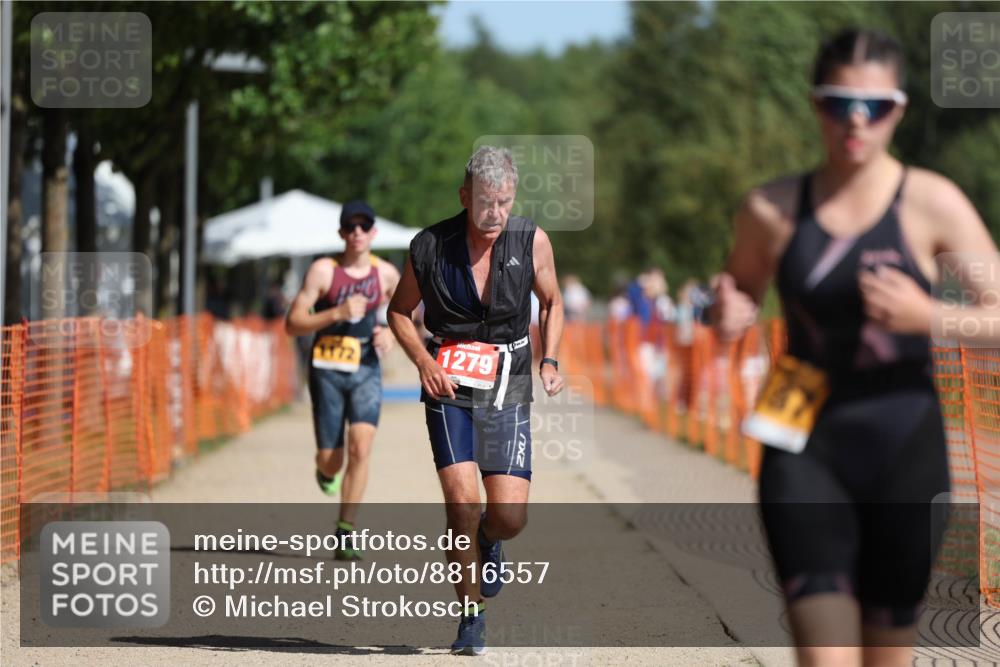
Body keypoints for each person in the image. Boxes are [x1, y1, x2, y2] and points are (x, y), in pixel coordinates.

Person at [711, 28, 998, 666]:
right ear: (816, 104)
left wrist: (930, 316)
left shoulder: (932, 202)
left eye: (877, 106)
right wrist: (724, 310)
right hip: (802, 445)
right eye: (840, 103)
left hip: (905, 452)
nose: (858, 121)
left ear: (901, 109)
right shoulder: (771, 208)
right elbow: (736, 291)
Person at [387, 146, 565, 655]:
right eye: (486, 201)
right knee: (461, 502)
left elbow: (552, 302)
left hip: (508, 382)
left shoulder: (532, 241)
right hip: (449, 384)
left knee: (509, 516)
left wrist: (550, 360)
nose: (495, 213)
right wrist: (423, 362)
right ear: (465, 196)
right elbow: (398, 312)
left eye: (504, 202)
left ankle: (490, 539)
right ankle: (471, 615)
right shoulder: (429, 246)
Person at [285, 200, 400, 560]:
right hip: (327, 370)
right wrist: (336, 311)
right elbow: (293, 323)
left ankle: (345, 530)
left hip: (366, 368)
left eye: (364, 227)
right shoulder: (323, 271)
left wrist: (391, 334)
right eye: (350, 227)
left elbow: (407, 314)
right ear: (341, 233)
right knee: (332, 460)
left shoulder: (386, 274)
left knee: (360, 448)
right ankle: (325, 469)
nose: (357, 233)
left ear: (373, 233)